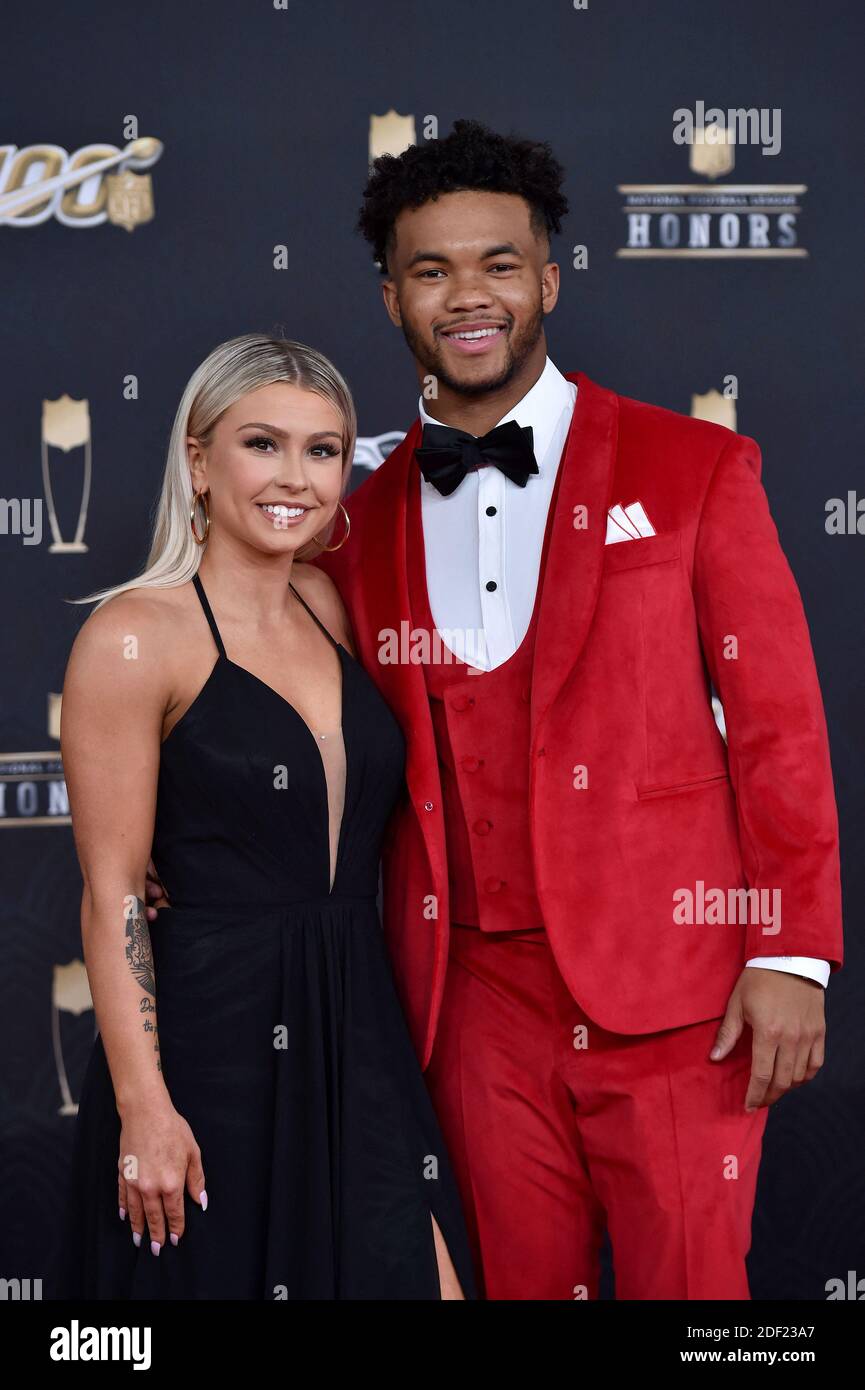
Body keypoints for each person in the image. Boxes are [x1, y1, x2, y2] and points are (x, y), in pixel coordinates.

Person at [307, 119, 843, 1299]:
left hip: (676, 992)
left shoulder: (693, 468)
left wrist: (793, 953)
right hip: (471, 1008)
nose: (468, 296)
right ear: (391, 295)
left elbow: (778, 727)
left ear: (547, 278)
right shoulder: (357, 522)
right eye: (431, 270)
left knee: (697, 1300)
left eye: (498, 263)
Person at [57, 333, 475, 1300]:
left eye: (324, 450)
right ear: (198, 462)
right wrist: (144, 1107)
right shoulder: (132, 636)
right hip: (210, 1046)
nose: (297, 477)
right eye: (263, 444)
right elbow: (113, 895)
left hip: (353, 1025)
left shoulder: (329, 605)